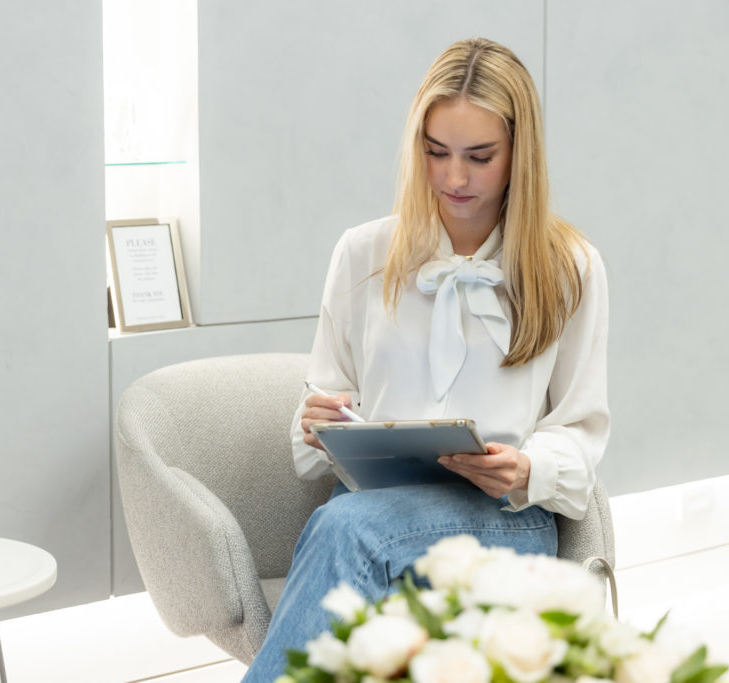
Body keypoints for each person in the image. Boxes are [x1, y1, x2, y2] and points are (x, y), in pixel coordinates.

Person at [242, 37, 609, 681]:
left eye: (480, 156)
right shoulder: (362, 254)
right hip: (372, 511)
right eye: (436, 153)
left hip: (502, 527)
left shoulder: (569, 268)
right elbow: (321, 409)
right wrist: (316, 419)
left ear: (521, 154)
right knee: (352, 522)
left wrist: (528, 469)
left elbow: (580, 431)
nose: (454, 178)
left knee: (347, 528)